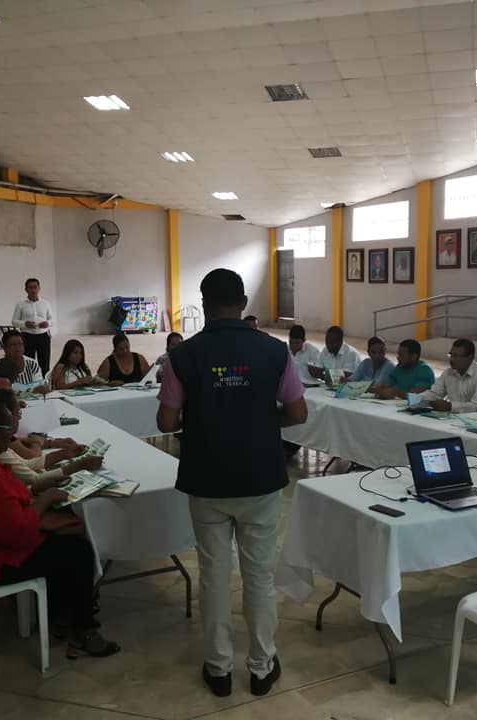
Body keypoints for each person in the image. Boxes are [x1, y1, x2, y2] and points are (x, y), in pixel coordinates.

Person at [156, 268, 307, 698]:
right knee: (258, 576)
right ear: (243, 303)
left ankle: (218, 668)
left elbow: (166, 421)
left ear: (204, 304)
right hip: (260, 477)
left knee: (214, 575)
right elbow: (298, 413)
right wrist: (259, 422)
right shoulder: (274, 351)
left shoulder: (182, 356)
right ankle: (261, 667)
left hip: (207, 479)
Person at [0, 398, 119, 659]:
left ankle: (61, 614)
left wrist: (37, 495)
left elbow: (7, 502)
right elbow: (17, 534)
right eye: (8, 430)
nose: (12, 436)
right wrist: (45, 501)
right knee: (78, 552)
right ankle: (84, 630)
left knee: (66, 534)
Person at [0, 390, 105, 492]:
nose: (20, 417)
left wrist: (65, 453)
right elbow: (34, 479)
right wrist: (81, 465)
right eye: (18, 412)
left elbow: (28, 464)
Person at [422, 338, 477, 412]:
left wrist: (450, 406)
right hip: (453, 417)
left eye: (456, 356)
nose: (451, 359)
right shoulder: (448, 373)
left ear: (470, 358)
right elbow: (434, 394)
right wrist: (419, 398)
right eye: (450, 355)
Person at [12, 277, 53, 376]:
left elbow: (52, 319)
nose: (33, 290)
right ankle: (30, 380)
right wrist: (25, 324)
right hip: (27, 337)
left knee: (45, 362)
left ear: (39, 288)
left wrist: (47, 323)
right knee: (28, 362)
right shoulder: (20, 305)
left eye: (35, 287)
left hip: (43, 336)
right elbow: (14, 321)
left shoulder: (46, 303)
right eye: (30, 288)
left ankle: (45, 380)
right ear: (26, 290)